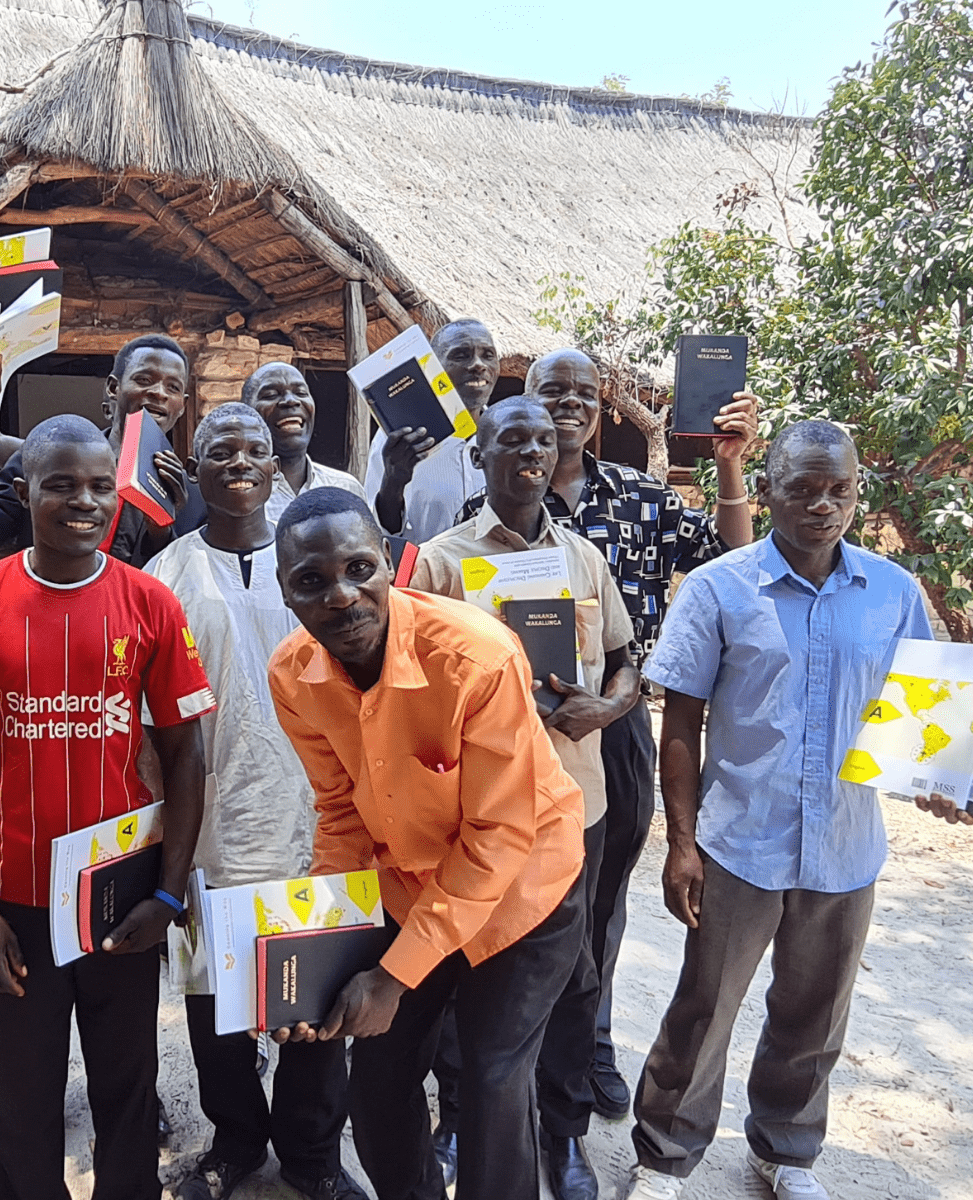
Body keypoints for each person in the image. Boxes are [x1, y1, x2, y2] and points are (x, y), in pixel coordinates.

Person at [623, 421, 962, 1200]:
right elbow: (680, 723)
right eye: (803, 488)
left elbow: (921, 718)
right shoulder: (719, 588)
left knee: (814, 1014)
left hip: (845, 846)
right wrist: (681, 843)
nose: (822, 506)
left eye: (838, 490)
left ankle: (785, 1151)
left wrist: (941, 780)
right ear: (765, 489)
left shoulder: (892, 593)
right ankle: (665, 1157)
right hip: (740, 841)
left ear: (855, 493)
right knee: (704, 1009)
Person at [455, 347, 758, 1128]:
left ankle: (588, 1046)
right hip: (501, 739)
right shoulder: (473, 515)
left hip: (612, 731)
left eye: (584, 393)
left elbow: (732, 556)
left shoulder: (640, 497)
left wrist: (728, 467)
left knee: (598, 900)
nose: (568, 404)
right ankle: (485, 1070)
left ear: (602, 408)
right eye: (551, 390)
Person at [0, 415, 212, 1200]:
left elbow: (186, 755)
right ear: (24, 491)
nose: (83, 502)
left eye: (97, 487)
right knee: (23, 1099)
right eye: (60, 485)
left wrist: (167, 893)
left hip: (120, 898)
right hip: (14, 902)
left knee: (127, 1090)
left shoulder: (150, 603)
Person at [267, 487, 590, 1200]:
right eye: (311, 583)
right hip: (407, 885)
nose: (343, 597)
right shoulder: (293, 676)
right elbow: (341, 814)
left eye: (358, 569)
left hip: (523, 891)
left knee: (492, 1077)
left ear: (388, 564)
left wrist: (393, 975)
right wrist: (318, 952)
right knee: (377, 1080)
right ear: (285, 593)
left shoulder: (477, 656)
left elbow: (499, 837)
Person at [409, 397, 639, 1200]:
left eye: (543, 439)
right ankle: (459, 1122)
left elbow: (623, 660)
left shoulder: (583, 559)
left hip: (577, 809)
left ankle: (563, 1132)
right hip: (475, 819)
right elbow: (411, 691)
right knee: (465, 973)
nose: (531, 452)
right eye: (513, 439)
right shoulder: (438, 563)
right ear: (482, 457)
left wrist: (605, 708)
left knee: (577, 980)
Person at [147, 404, 369, 1200]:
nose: (240, 462)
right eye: (220, 450)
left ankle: (311, 1154)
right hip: (207, 831)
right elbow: (150, 729)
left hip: (319, 822)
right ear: (194, 466)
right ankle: (236, 1138)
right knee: (215, 1007)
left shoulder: (311, 569)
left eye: (256, 450)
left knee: (317, 1008)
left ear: (277, 466)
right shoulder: (165, 577)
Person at [0, 333, 206, 566]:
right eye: (144, 379)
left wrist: (160, 528)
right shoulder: (48, 457)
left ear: (181, 405)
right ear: (114, 388)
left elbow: (180, 589)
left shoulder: (192, 499)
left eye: (172, 387)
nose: (159, 393)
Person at [362, 318, 500, 544]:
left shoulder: (506, 435)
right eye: (461, 355)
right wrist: (393, 484)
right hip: (424, 576)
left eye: (488, 355)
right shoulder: (400, 439)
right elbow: (378, 535)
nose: (478, 365)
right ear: (434, 367)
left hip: (498, 577)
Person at [239, 362, 365, 523]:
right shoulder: (236, 494)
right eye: (270, 395)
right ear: (246, 413)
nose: (290, 401)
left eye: (301, 392)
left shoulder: (345, 488)